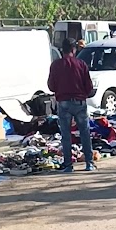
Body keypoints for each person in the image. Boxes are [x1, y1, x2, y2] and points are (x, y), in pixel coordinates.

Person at [47, 37, 96, 173]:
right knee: (85, 133)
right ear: (74, 50)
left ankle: (68, 165)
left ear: (62, 50)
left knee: (66, 135)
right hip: (80, 102)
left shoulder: (56, 65)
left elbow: (51, 86)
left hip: (63, 103)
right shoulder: (81, 64)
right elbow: (89, 86)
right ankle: (89, 163)